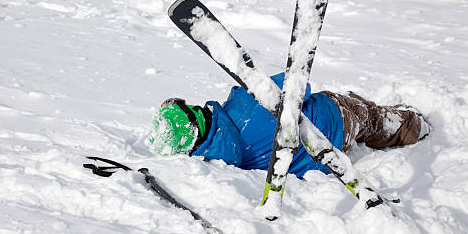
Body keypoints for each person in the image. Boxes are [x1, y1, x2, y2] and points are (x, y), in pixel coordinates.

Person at [147, 73, 432, 178]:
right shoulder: (244, 103)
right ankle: (413, 125)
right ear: (197, 111)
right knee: (372, 119)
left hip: (319, 158)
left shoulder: (222, 158)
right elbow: (299, 84)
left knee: (360, 117)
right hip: (333, 117)